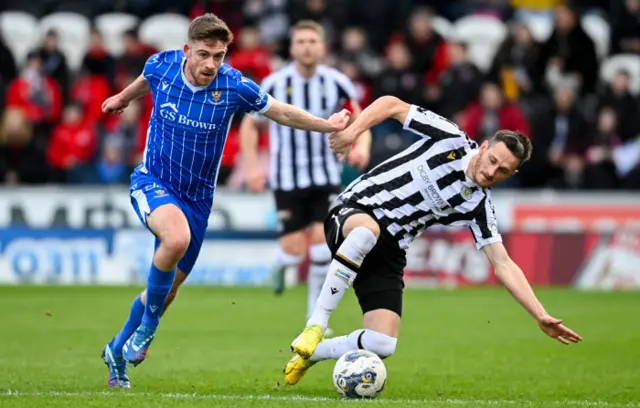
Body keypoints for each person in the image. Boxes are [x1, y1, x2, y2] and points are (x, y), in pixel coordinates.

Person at [99, 13, 351, 389]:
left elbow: (280, 112)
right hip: (152, 180)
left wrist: (327, 125)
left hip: (198, 200)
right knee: (175, 239)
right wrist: (121, 98)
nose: (211, 64)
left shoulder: (234, 86)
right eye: (204, 54)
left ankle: (116, 350)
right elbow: (144, 82)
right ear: (187, 50)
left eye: (219, 56)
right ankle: (148, 329)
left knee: (167, 291)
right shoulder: (162, 65)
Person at [283, 95, 583, 385]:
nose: (491, 171)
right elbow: (391, 104)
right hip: (353, 211)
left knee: (382, 343)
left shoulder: (478, 206)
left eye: (502, 171)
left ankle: (312, 354)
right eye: (491, 160)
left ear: (512, 173)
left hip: (390, 250)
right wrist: (351, 133)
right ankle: (316, 326)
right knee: (365, 233)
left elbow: (503, 263)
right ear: (483, 146)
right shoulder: (449, 137)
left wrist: (540, 315)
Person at [239, 20, 371, 324]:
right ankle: (281, 264)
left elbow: (360, 118)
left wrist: (361, 145)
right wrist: (251, 168)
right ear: (292, 47)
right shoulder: (274, 83)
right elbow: (250, 124)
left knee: (321, 249)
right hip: (287, 178)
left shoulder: (337, 82)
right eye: (301, 41)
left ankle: (315, 320)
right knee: (293, 251)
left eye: (313, 41)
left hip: (325, 177)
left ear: (322, 46)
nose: (307, 46)